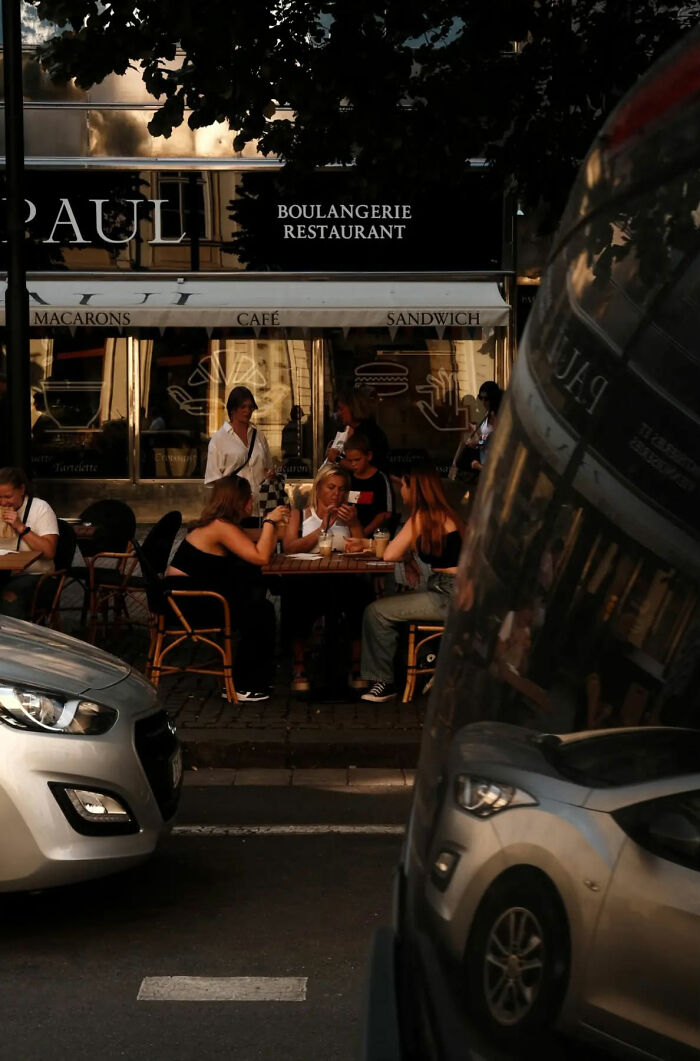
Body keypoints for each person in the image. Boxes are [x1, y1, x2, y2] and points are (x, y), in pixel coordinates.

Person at [166, 474, 288, 702]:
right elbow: (261, 556)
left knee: (257, 598)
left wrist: (273, 527)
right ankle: (243, 683)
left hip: (191, 596)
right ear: (237, 501)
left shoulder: (224, 526)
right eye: (249, 497)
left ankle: (255, 677)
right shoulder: (220, 527)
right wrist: (270, 521)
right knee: (260, 612)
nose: (253, 502)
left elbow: (267, 539)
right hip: (185, 602)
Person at [360, 462, 465, 702]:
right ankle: (423, 661)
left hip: (448, 594)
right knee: (393, 605)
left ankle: (383, 683)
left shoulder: (422, 515)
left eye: (403, 486)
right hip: (455, 590)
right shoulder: (447, 512)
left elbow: (389, 555)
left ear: (414, 488)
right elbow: (401, 551)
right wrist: (406, 558)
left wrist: (402, 556)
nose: (401, 492)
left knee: (376, 611)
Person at [282, 464, 368, 692]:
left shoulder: (348, 516)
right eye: (331, 487)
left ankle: (356, 666)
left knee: (361, 595)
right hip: (308, 579)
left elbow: (364, 550)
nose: (336, 494)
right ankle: (299, 666)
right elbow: (289, 547)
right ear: (318, 488)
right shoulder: (299, 515)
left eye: (341, 489)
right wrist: (322, 527)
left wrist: (354, 524)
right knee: (294, 598)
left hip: (342, 578)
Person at [204, 386, 272, 522]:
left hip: (259, 508)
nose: (248, 411)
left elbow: (267, 466)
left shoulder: (258, 436)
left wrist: (270, 474)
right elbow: (214, 479)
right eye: (243, 407)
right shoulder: (219, 439)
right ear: (233, 409)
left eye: (251, 407)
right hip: (233, 510)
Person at [0, 466, 59, 620]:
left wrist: (20, 527)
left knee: (9, 595)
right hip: (4, 573)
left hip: (37, 576)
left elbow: (49, 551)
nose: (3, 502)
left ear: (22, 490)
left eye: (8, 496)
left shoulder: (40, 509)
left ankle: (18, 641)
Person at [326, 387, 390, 471]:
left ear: (353, 408)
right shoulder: (358, 430)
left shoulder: (368, 433)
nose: (339, 413)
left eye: (341, 409)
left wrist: (336, 458)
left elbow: (359, 467)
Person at [343, 434, 393, 537]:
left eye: (357, 460)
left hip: (374, 537)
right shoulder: (347, 478)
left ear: (369, 456)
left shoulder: (380, 479)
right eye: (350, 461)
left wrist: (362, 534)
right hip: (349, 536)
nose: (353, 464)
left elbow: (385, 514)